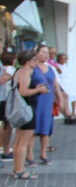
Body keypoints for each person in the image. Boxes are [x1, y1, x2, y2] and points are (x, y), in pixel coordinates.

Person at [10, 50, 48, 180]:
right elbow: (24, 91)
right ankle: (20, 170)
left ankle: (17, 169)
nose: (35, 62)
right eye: (33, 60)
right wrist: (39, 89)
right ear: (28, 62)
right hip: (26, 109)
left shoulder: (18, 71)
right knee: (23, 141)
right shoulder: (25, 72)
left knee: (19, 140)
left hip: (21, 109)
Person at [29, 45, 57, 166]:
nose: (45, 55)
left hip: (48, 101)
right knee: (33, 129)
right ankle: (29, 155)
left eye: (47, 53)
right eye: (43, 52)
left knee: (46, 128)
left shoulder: (50, 68)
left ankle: (43, 154)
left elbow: (55, 84)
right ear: (36, 53)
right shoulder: (32, 67)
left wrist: (59, 98)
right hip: (36, 101)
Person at [0, 51, 17, 160]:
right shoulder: (12, 70)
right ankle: (5, 150)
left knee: (5, 124)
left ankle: (5, 150)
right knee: (7, 125)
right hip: (6, 99)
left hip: (4, 99)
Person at [55, 53, 76, 124]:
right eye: (63, 58)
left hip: (68, 83)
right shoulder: (57, 66)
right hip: (61, 84)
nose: (65, 60)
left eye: (66, 58)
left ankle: (73, 113)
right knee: (65, 99)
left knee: (73, 98)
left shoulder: (66, 66)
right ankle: (68, 116)